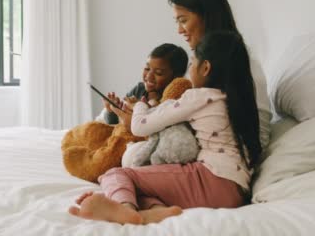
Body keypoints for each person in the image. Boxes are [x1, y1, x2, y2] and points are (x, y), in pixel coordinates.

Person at [68, 31, 262, 225]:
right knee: (140, 189)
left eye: (192, 63)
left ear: (205, 68)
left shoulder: (198, 96)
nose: (190, 70)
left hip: (211, 179)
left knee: (116, 174)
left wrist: (141, 105)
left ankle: (123, 209)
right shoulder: (240, 102)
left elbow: (140, 127)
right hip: (236, 192)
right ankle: (155, 211)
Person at [168, 0, 272, 149]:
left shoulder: (242, 65)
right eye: (177, 22)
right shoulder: (197, 65)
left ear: (207, 16)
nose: (179, 30)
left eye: (183, 20)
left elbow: (259, 137)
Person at [94, 43, 188, 124]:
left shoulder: (173, 100)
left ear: (176, 76)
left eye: (158, 73)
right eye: (147, 69)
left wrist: (139, 109)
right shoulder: (139, 89)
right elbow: (114, 124)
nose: (148, 76)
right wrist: (112, 110)